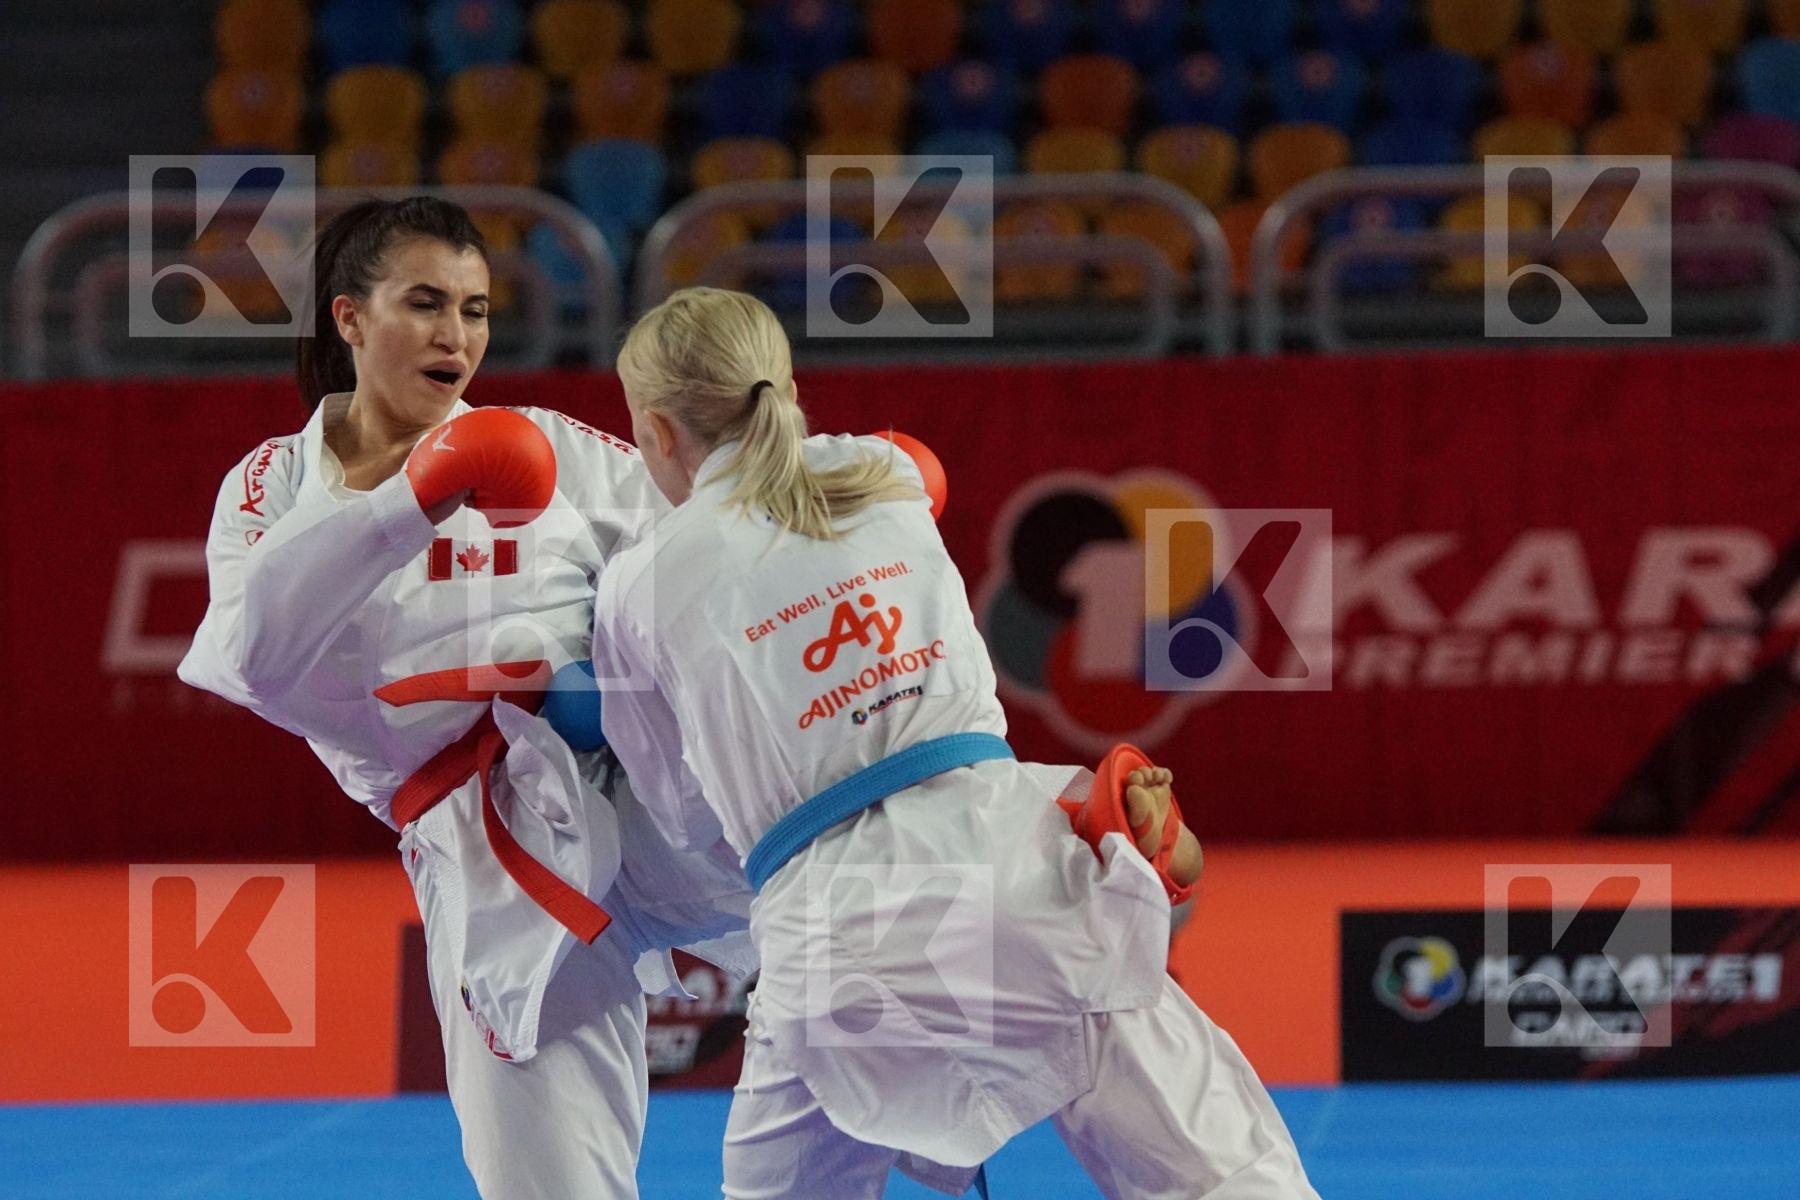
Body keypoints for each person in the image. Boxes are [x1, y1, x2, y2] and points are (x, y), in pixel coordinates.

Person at [590, 287, 1319, 1199]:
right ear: (786, 387)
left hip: (834, 937)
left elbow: (681, 813)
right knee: (1222, 1168)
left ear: (656, 432)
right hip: (1018, 860)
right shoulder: (886, 472)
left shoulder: (640, 583)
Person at [177, 200, 752, 1199]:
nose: (457, 335)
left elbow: (714, 551)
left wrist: (835, 512)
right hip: (488, 849)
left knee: (868, 857)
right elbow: (255, 659)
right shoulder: (273, 484)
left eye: (476, 310)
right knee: (552, 1182)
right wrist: (413, 498)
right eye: (426, 304)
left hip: (646, 782)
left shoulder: (544, 444)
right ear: (351, 319)